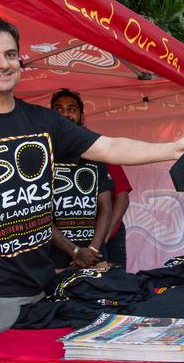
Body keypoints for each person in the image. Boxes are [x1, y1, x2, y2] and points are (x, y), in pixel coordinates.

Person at [0, 16, 184, 341]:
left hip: (48, 282)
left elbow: (110, 147)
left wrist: (173, 149)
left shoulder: (42, 120)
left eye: (10, 54)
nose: (3, 64)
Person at [49, 89, 113, 269]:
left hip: (95, 256)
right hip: (56, 258)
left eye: (71, 109)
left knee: (102, 296)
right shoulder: (42, 156)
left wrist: (91, 250)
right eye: (58, 110)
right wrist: (75, 251)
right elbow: (40, 215)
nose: (65, 114)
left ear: (81, 116)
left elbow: (106, 207)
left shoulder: (95, 156)